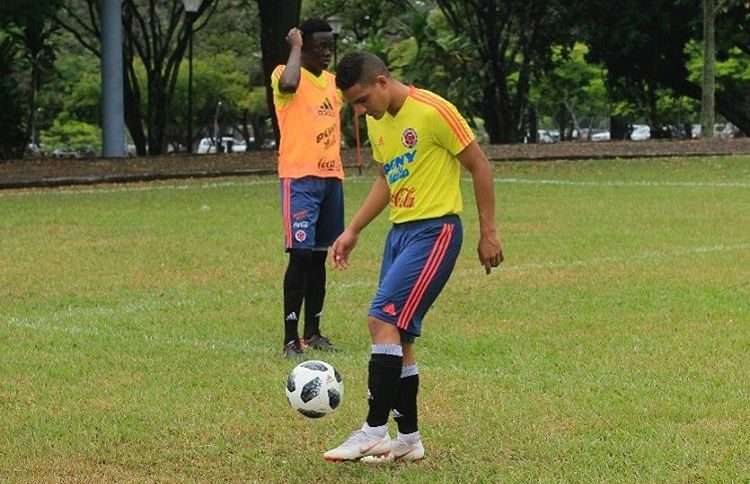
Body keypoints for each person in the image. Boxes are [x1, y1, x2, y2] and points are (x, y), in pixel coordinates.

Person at [323, 52, 504, 462]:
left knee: (380, 319)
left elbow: (480, 165)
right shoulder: (376, 119)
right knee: (399, 337)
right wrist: (353, 230)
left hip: (436, 231)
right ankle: (408, 439)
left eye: (363, 99)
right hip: (400, 233)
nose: (359, 110)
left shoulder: (434, 111)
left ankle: (372, 429)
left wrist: (489, 232)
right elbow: (387, 179)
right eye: (354, 104)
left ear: (383, 82)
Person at [270, 19, 344, 358]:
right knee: (299, 255)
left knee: (317, 258)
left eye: (330, 46)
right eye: (319, 46)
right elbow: (287, 86)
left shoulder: (334, 84)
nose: (326, 52)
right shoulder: (285, 74)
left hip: (331, 179)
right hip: (299, 179)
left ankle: (313, 332)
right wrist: (296, 46)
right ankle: (290, 337)